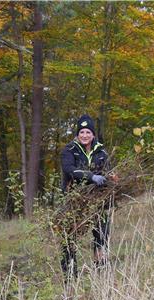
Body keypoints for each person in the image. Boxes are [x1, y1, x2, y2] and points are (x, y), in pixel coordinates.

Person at [59, 114, 111, 278]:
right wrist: (91, 177)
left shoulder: (101, 151)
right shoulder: (69, 150)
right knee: (69, 238)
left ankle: (101, 271)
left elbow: (107, 172)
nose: (85, 135)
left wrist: (110, 178)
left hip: (97, 201)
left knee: (101, 235)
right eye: (82, 132)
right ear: (77, 134)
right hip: (73, 200)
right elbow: (69, 170)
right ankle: (70, 277)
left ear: (93, 134)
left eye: (88, 132)